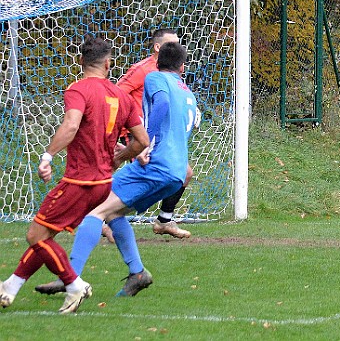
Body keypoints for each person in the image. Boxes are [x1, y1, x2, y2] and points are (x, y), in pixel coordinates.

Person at [0, 35, 148, 314]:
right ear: (108, 63)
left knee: (36, 236)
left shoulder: (78, 90)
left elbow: (70, 126)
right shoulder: (121, 96)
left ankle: (74, 284)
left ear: (80, 61)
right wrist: (119, 158)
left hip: (80, 182)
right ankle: (10, 286)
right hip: (103, 183)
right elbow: (141, 141)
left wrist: (47, 156)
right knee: (45, 235)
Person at [50, 41, 198, 303]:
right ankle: (137, 273)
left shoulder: (155, 78)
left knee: (94, 209)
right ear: (182, 66)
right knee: (114, 212)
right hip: (175, 173)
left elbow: (161, 104)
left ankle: (70, 279)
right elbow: (188, 125)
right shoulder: (187, 92)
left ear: (157, 61)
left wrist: (147, 142)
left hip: (157, 166)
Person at [115, 28, 194, 239]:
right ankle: (101, 216)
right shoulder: (144, 71)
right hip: (138, 131)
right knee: (139, 176)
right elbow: (117, 93)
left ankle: (164, 220)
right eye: (171, 43)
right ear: (158, 47)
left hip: (158, 133)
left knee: (184, 173)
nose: (176, 47)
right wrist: (130, 125)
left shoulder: (171, 76)